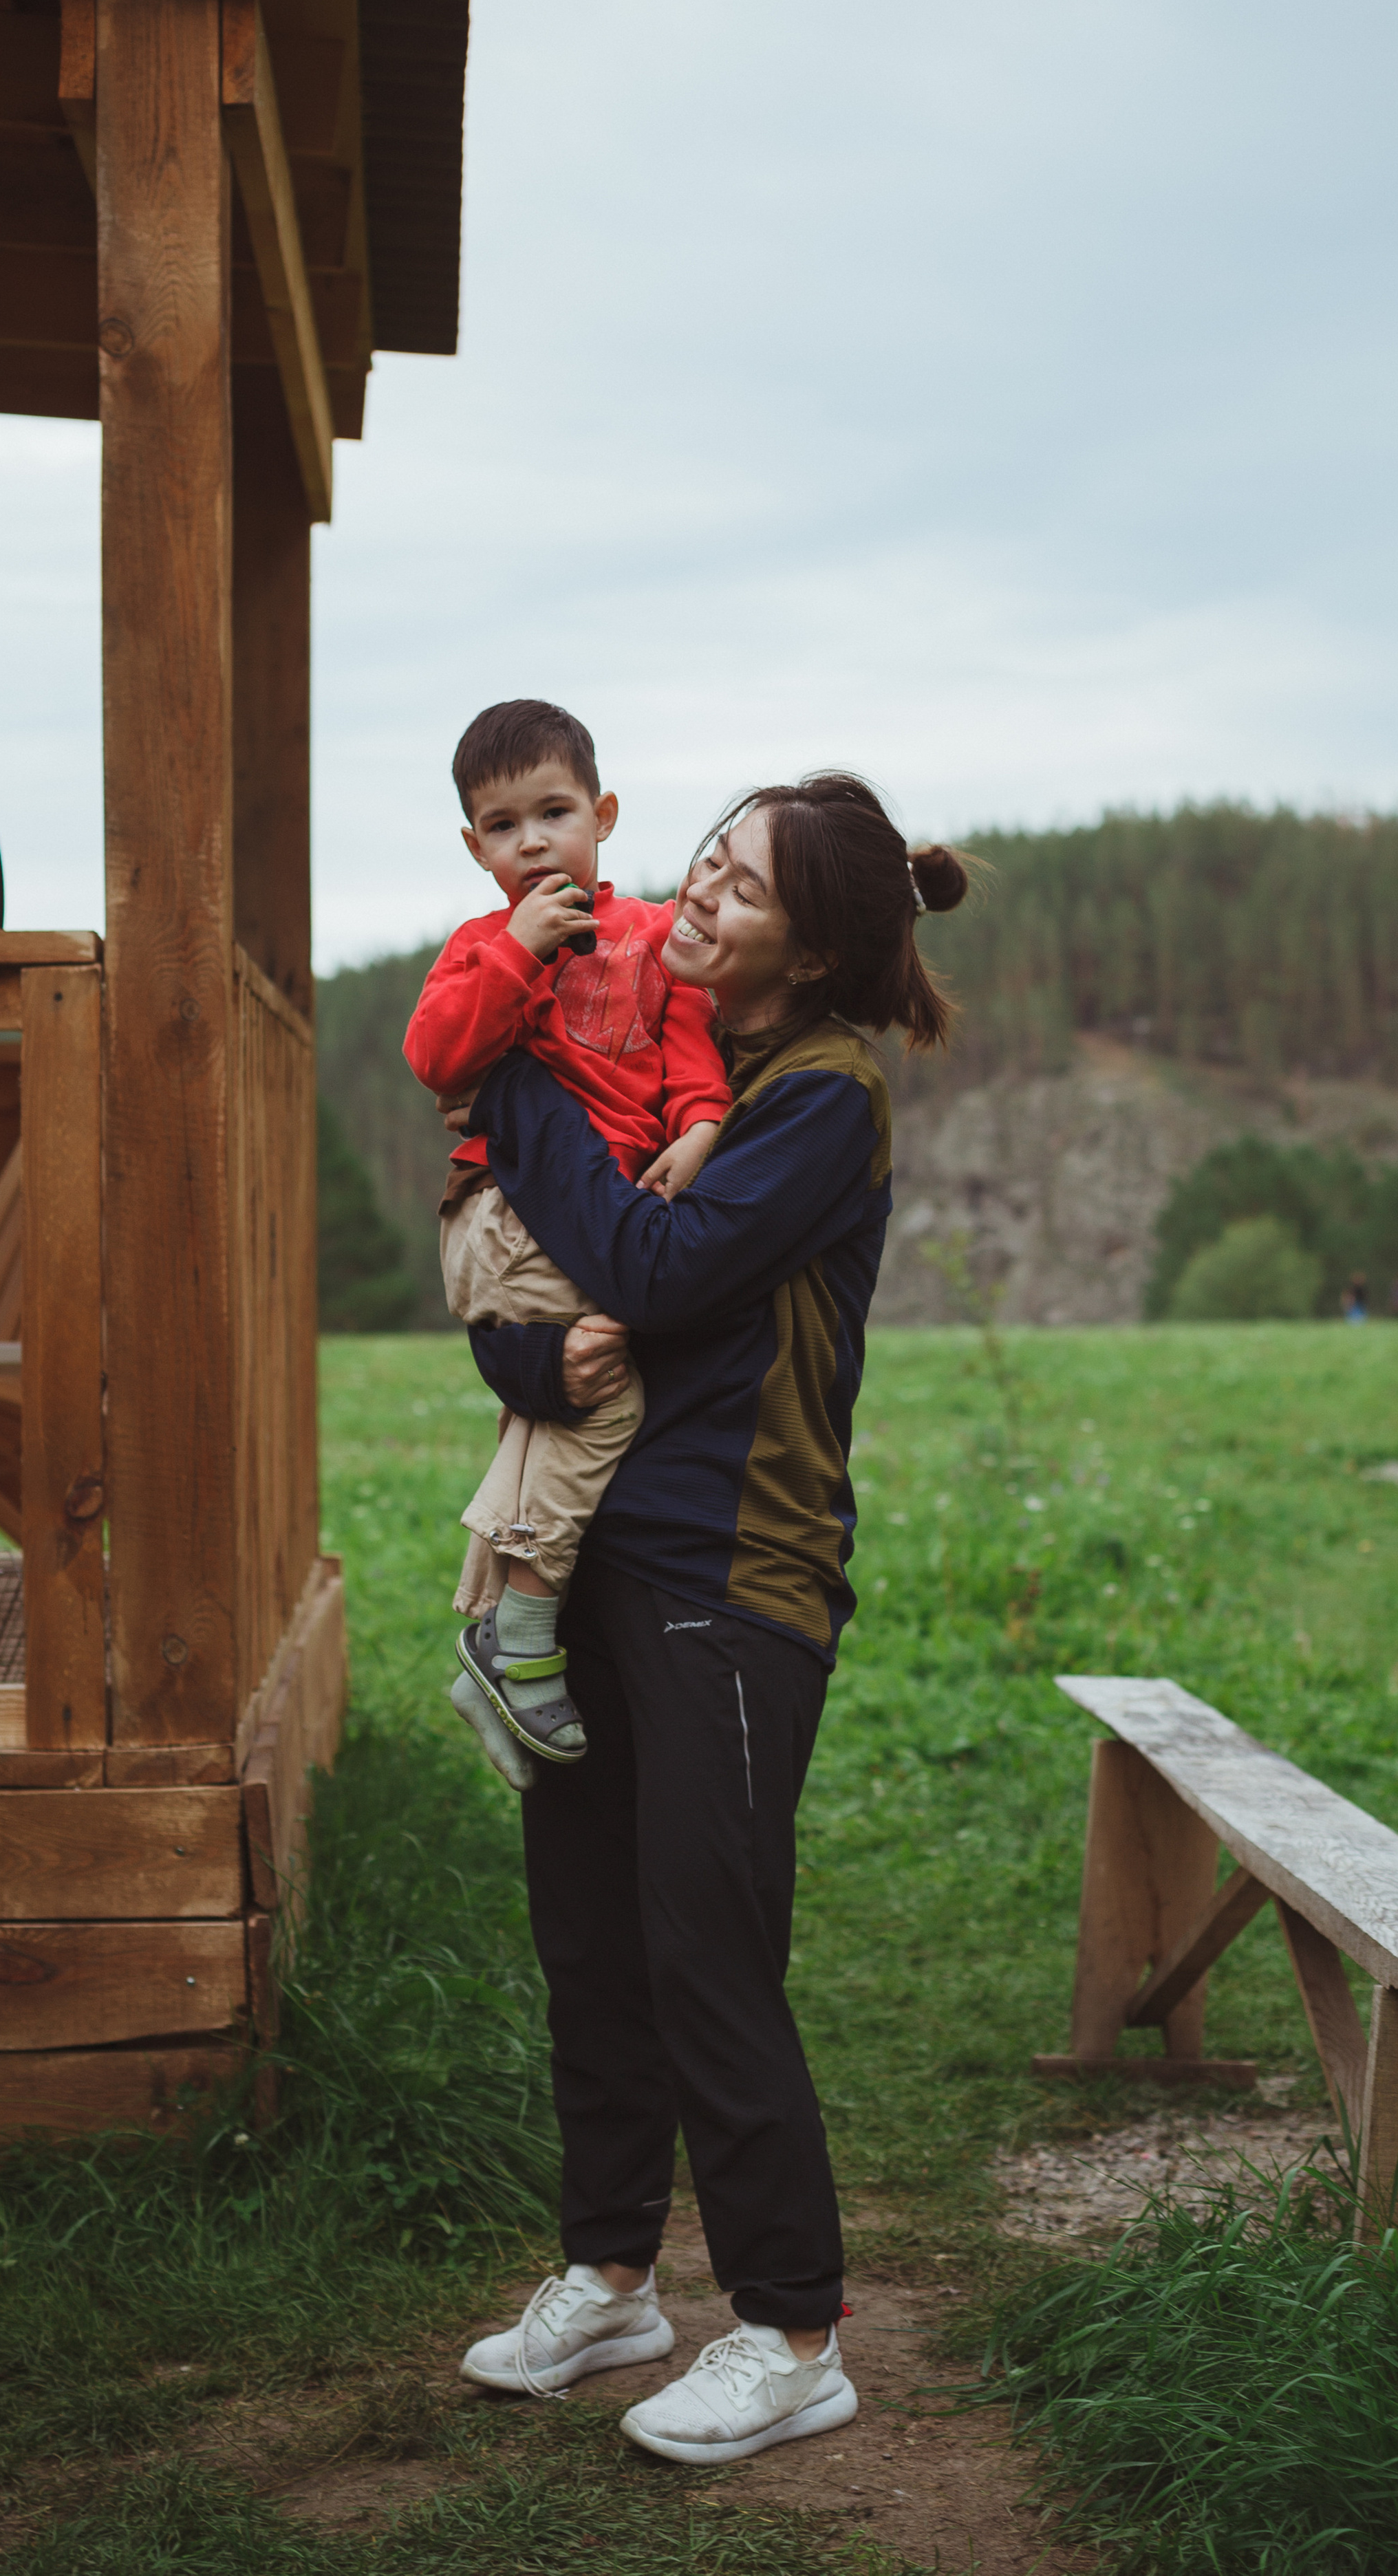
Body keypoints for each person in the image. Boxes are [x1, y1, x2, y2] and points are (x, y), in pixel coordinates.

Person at [451, 773, 968, 2465]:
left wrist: (504, 1071)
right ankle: (610, 2275)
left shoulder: (822, 1097)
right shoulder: (676, 1073)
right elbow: (557, 1307)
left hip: (731, 1582)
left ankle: (791, 2327)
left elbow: (655, 1280)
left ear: (809, 949)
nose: (689, 894)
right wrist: (528, 1349)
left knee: (704, 1953)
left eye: (735, 887)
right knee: (591, 1942)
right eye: (703, 860)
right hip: (605, 1559)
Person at [402, 700, 733, 1786]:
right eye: (504, 827)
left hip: (587, 1208)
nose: (533, 841)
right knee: (605, 1395)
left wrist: (700, 1128)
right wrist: (514, 957)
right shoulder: (479, 946)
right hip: (506, 1209)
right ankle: (522, 1640)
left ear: (605, 816)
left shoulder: (648, 936)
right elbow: (440, 1060)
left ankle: (492, 1632)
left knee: (552, 1401)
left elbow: (685, 1045)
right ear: (475, 849)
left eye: (554, 813)